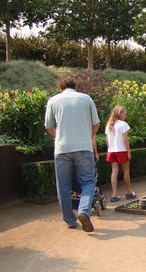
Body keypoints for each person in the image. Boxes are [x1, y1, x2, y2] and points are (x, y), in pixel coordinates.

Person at [45, 76, 100, 232]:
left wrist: (58, 137)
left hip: (62, 149)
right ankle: (84, 210)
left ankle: (70, 220)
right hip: (84, 148)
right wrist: (87, 136)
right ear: (75, 86)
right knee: (88, 182)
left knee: (63, 186)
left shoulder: (53, 101)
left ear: (61, 86)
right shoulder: (86, 98)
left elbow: (49, 126)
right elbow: (96, 124)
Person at [105, 105, 136, 202]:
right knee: (126, 171)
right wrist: (128, 152)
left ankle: (114, 194)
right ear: (120, 113)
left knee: (114, 171)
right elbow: (125, 140)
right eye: (125, 113)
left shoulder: (109, 125)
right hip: (121, 150)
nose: (125, 115)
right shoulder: (123, 124)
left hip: (111, 151)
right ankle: (129, 192)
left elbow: (107, 140)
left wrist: (109, 149)